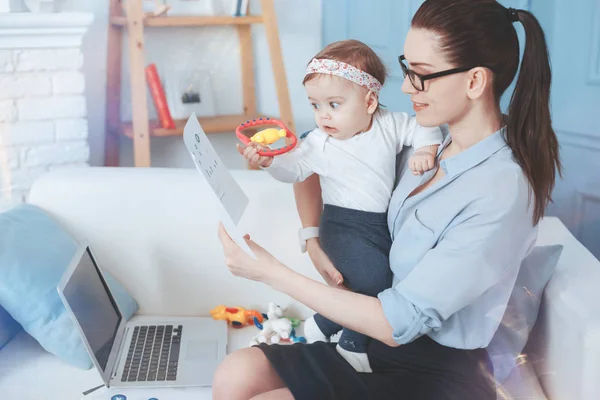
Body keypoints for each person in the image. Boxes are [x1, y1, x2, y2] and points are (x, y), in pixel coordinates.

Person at [215, 0, 562, 399]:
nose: (404, 87)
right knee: (235, 373)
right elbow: (317, 158)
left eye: (422, 75)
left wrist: (271, 272)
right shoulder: (428, 142)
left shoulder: (501, 189)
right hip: (380, 345)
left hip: (435, 371)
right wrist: (312, 238)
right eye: (406, 67)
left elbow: (400, 324)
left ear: (474, 82)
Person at [238, 39, 443, 373]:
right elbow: (294, 170)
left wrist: (425, 150)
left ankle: (321, 324)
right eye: (316, 105)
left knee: (384, 280)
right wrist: (268, 163)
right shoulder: (318, 143)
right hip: (341, 225)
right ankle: (351, 342)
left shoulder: (390, 125)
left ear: (370, 101)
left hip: (379, 226)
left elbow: (424, 127)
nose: (323, 116)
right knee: (376, 284)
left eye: (334, 104)